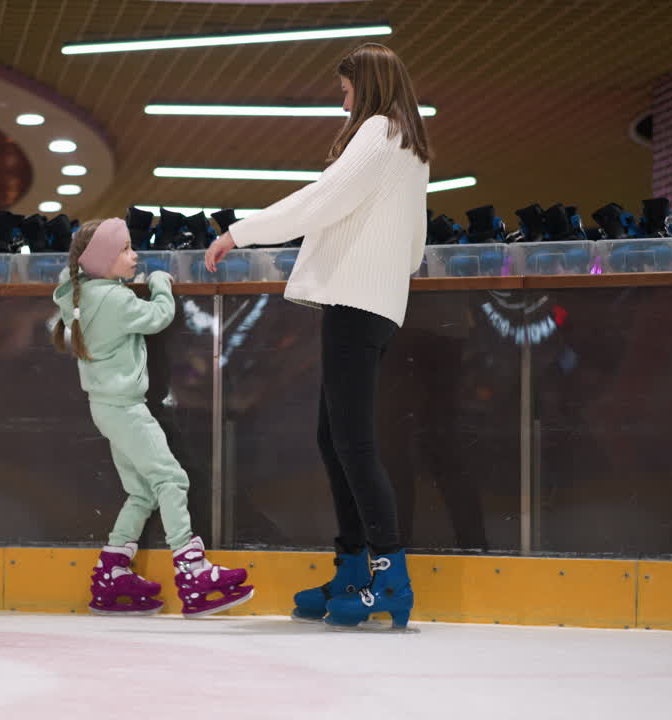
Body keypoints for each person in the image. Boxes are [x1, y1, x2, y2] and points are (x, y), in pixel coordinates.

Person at [204, 43, 431, 630]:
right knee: (335, 438)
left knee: (350, 442)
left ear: (368, 87)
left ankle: (391, 577)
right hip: (376, 305)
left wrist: (240, 232)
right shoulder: (410, 146)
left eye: (346, 90)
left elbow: (322, 200)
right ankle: (355, 569)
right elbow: (413, 247)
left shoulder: (379, 131)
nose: (344, 101)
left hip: (357, 303)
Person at [53, 218, 253, 618]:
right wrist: (162, 281)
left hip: (106, 408)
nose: (135, 255)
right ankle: (192, 574)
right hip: (126, 409)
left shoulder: (83, 295)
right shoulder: (116, 301)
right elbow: (159, 316)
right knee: (170, 479)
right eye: (126, 250)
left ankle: (112, 572)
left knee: (142, 492)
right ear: (104, 261)